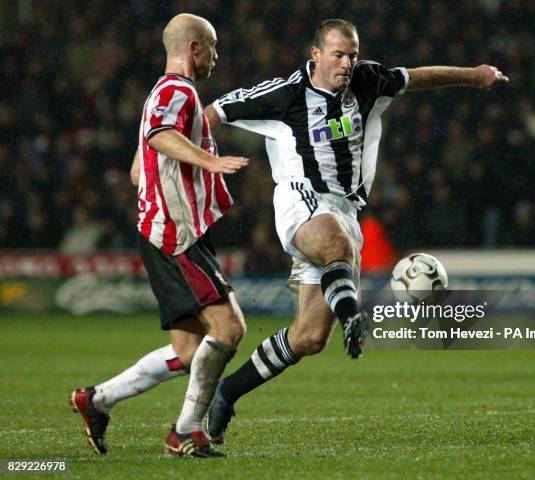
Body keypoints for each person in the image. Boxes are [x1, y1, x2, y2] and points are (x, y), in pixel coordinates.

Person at [203, 19, 508, 444]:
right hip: (300, 198)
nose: (347, 63)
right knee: (335, 245)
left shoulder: (368, 80)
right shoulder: (285, 94)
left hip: (346, 209)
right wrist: (178, 158)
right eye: (338, 55)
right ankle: (352, 316)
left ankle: (226, 392)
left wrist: (474, 75)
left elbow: (416, 78)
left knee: (308, 338)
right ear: (315, 54)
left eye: (352, 55)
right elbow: (213, 113)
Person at [69, 13, 249, 458]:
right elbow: (159, 135)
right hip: (176, 235)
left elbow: (136, 171)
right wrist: (208, 163)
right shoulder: (176, 91)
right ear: (194, 48)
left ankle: (97, 400)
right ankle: (185, 433)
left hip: (163, 230)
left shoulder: (160, 93)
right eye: (212, 46)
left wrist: (175, 171)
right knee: (229, 329)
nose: (217, 56)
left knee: (189, 352)